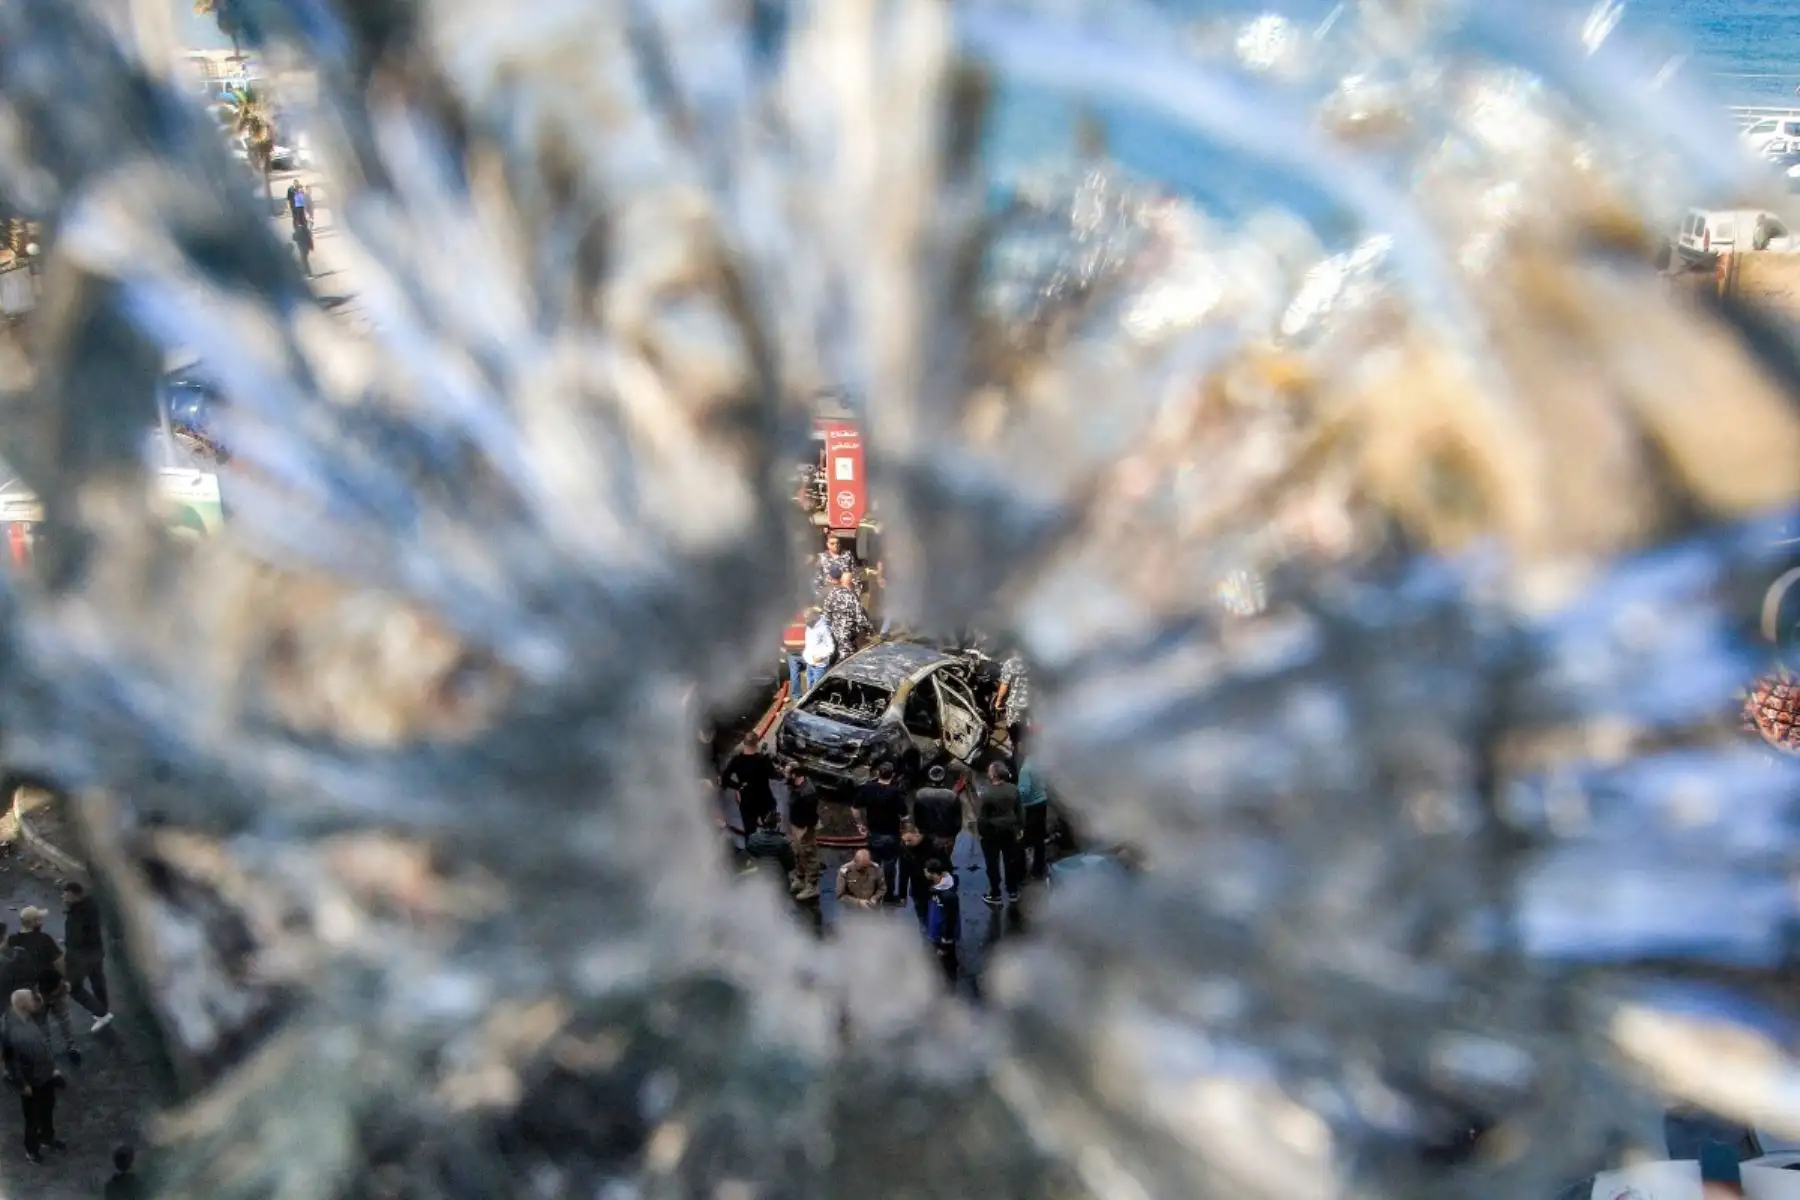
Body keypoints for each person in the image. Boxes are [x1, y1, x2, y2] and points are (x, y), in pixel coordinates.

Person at [2, 988, 63, 1163]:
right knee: (32, 1118)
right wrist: (22, 1085)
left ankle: (47, 1137)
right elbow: (11, 1063)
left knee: (47, 1109)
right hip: (32, 1081)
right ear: (23, 1005)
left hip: (44, 1075)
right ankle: (32, 1150)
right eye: (31, 999)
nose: (35, 1001)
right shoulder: (10, 1031)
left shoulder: (25, 1016)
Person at [61, 881, 112, 1032]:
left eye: (65, 894)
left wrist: (68, 949)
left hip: (83, 957)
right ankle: (103, 1009)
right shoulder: (90, 904)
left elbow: (77, 939)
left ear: (74, 895)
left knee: (73, 987)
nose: (63, 897)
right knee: (97, 980)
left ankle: (101, 1013)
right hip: (96, 951)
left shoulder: (77, 913)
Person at [856, 760, 908, 901]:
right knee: (890, 866)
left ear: (878, 773)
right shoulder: (895, 792)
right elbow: (905, 815)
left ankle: (874, 892)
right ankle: (889, 895)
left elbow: (854, 807)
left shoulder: (868, 788)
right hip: (891, 835)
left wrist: (860, 825)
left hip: (873, 835)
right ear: (893, 775)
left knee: (874, 865)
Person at [975, 761, 1025, 906]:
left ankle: (995, 894)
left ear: (993, 774)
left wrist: (982, 834)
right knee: (1010, 862)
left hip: (992, 833)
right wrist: (1020, 828)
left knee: (992, 864)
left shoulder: (987, 793)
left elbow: (982, 818)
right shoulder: (1013, 789)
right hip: (1010, 831)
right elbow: (1020, 811)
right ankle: (1012, 891)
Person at [722, 734, 778, 838]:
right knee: (771, 830)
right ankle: (771, 849)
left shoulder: (737, 760)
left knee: (750, 832)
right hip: (765, 799)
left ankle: (752, 851)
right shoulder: (764, 760)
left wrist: (738, 786)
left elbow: (724, 779)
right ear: (757, 743)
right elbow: (775, 775)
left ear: (744, 743)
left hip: (747, 801)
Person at [786, 766, 822, 902]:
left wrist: (804, 831)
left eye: (787, 772)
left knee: (809, 854)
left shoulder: (808, 793)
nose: (784, 773)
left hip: (804, 828)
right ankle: (800, 879)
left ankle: (812, 886)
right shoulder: (795, 785)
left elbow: (811, 815)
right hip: (796, 825)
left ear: (795, 775)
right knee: (797, 852)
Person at [911, 764, 962, 861]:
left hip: (926, 834)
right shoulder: (952, 796)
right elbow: (958, 821)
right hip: (946, 835)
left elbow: (917, 817)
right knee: (945, 860)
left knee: (926, 859)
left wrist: (921, 831)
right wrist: (952, 835)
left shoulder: (920, 794)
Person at [822, 569, 872, 664]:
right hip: (849, 634)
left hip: (836, 633)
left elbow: (826, 613)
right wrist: (869, 629)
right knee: (848, 660)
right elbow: (860, 617)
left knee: (840, 654)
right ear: (850, 583)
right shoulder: (851, 596)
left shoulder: (831, 594)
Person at [923, 860, 960, 984]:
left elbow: (950, 919)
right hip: (937, 931)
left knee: (946, 960)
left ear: (933, 874)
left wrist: (945, 943)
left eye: (926, 872)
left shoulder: (947, 896)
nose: (924, 874)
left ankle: (950, 985)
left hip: (943, 935)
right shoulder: (937, 889)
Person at [1017, 756, 1051, 881]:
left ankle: (1021, 872)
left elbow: (1024, 791)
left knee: (1023, 840)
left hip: (1031, 807)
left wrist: (1017, 798)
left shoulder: (1026, 770)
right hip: (1042, 801)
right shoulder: (1039, 764)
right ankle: (1038, 869)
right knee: (1040, 838)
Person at [994, 650, 1032, 759]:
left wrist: (998, 701)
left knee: (1013, 729)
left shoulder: (1011, 663)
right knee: (1027, 729)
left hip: (1015, 704)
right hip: (1030, 702)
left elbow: (1004, 686)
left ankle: (1014, 754)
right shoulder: (1032, 662)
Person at [743, 809, 796, 885]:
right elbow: (790, 865)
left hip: (756, 876)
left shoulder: (753, 838)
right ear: (778, 825)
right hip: (777, 880)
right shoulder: (783, 842)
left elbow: (748, 854)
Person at [895, 821, 931, 925]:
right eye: (904, 840)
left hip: (933, 884)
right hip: (917, 886)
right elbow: (903, 871)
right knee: (922, 916)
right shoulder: (905, 847)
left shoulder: (931, 843)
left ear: (917, 833)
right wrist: (903, 895)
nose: (907, 844)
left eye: (909, 840)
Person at [816, 531, 859, 597]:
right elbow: (818, 577)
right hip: (829, 591)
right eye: (832, 543)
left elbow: (855, 573)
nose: (835, 545)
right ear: (827, 544)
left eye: (837, 543)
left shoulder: (847, 555)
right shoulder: (822, 557)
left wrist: (854, 589)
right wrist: (820, 593)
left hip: (846, 590)